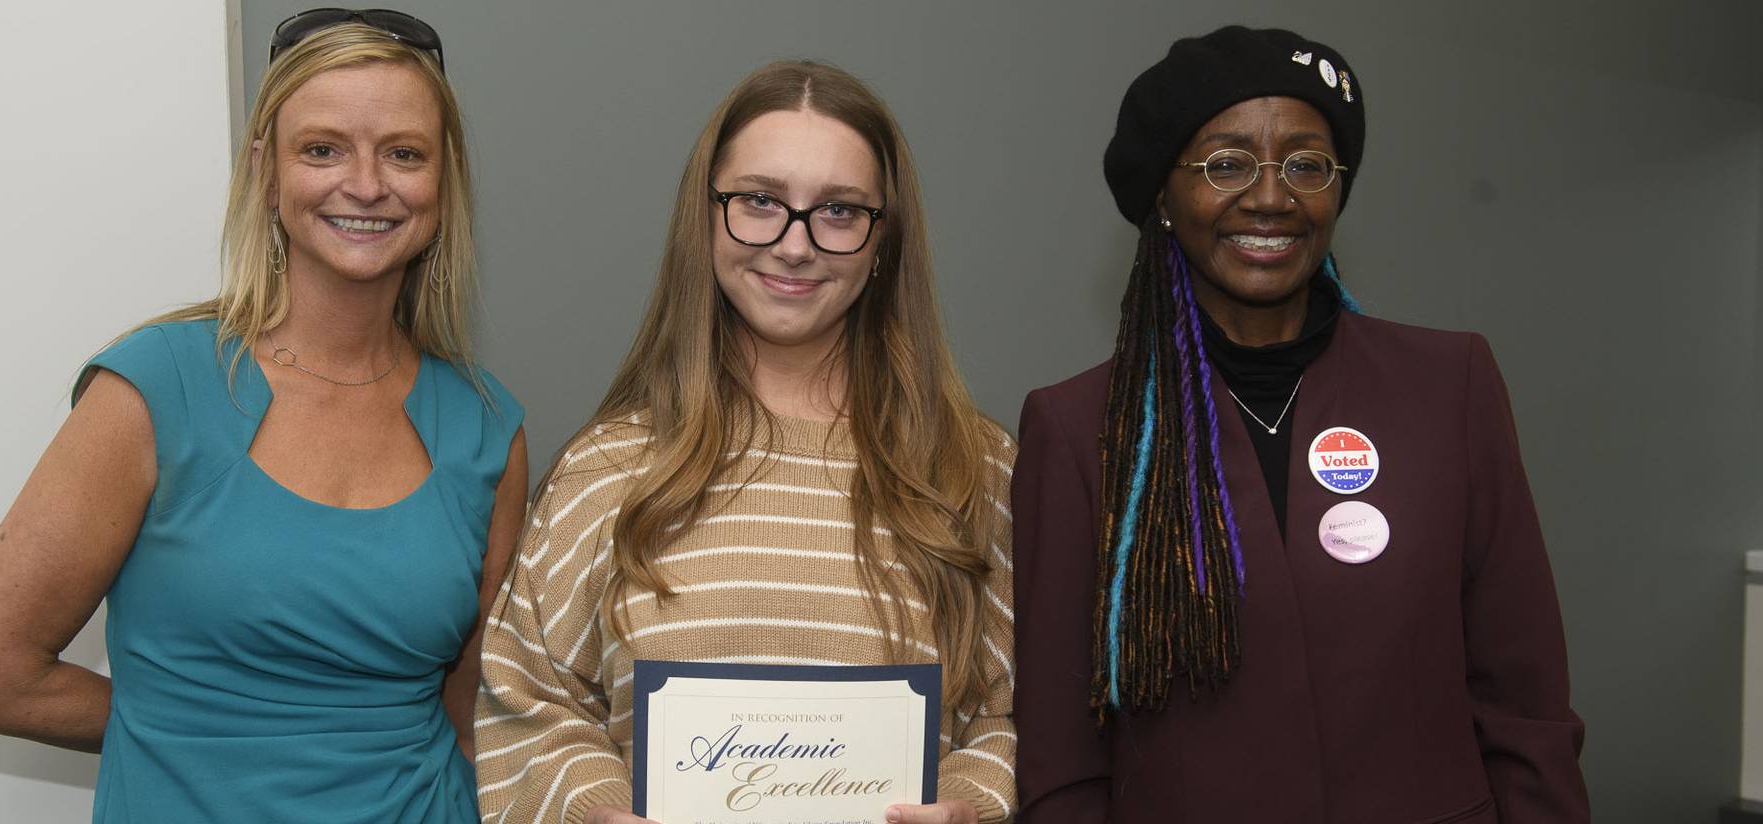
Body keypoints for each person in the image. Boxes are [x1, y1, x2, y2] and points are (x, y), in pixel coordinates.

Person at [0, 10, 526, 822]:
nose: (365, 183)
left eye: (404, 153)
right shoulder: (154, 390)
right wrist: (197, 733)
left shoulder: (486, 427)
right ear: (265, 170)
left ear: (444, 181)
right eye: (321, 149)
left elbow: (471, 716)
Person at [1011, 25, 1587, 824]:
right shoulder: (1078, 431)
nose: (1272, 196)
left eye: (1307, 164)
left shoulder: (1450, 385)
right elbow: (1061, 762)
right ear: (1163, 199)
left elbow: (1524, 705)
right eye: (1225, 164)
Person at [472, 60, 1016, 824]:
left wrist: (972, 803)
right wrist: (592, 809)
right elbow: (526, 702)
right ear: (705, 216)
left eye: (838, 210)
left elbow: (1023, 716)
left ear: (883, 238)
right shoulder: (605, 469)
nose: (795, 246)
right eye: (760, 201)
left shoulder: (974, 470)